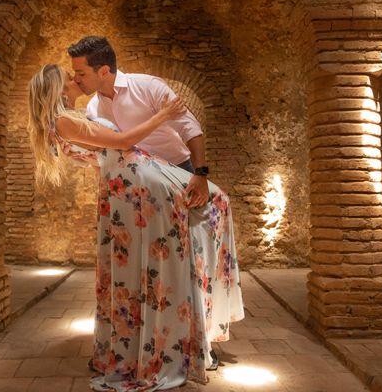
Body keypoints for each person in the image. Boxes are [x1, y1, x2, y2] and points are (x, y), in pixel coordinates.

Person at [28, 64, 244, 391]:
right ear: (57, 89)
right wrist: (163, 114)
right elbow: (123, 140)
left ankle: (191, 336)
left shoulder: (67, 120)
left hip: (133, 180)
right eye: (68, 78)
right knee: (208, 211)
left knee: (185, 240)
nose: (75, 80)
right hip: (138, 182)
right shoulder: (65, 122)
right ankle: (176, 346)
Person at [68, 36, 210, 209]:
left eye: (81, 73)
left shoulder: (148, 86)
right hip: (134, 184)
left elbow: (189, 127)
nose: (76, 79)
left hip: (178, 171)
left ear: (104, 71)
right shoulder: (93, 109)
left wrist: (200, 173)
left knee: (191, 234)